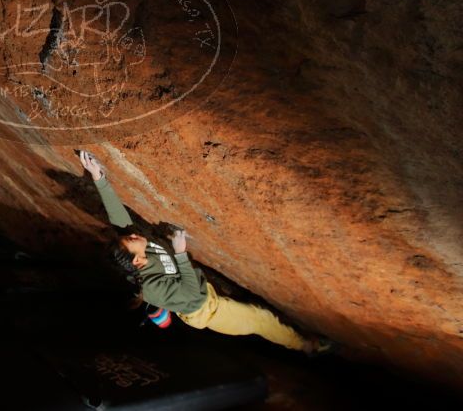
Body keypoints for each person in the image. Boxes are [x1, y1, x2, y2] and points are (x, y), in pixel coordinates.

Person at [78, 150, 331, 354]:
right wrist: (179, 253)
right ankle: (306, 346)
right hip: (204, 309)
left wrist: (98, 177)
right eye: (132, 240)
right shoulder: (152, 285)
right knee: (260, 318)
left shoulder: (137, 249)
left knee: (242, 304)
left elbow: (119, 219)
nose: (135, 234)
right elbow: (189, 292)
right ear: (137, 260)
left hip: (198, 288)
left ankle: (165, 308)